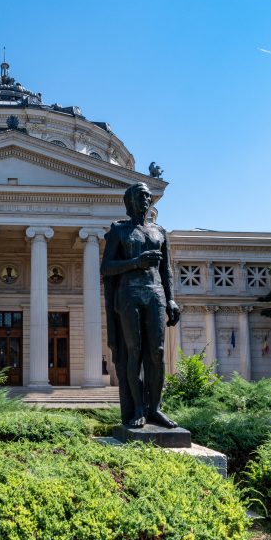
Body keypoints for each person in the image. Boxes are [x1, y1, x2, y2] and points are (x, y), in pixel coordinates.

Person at [101, 182, 180, 428]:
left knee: (156, 353)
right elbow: (106, 268)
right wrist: (136, 262)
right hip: (129, 294)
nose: (146, 200)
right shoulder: (119, 231)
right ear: (130, 202)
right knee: (133, 351)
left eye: (148, 196)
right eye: (141, 196)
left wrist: (171, 299)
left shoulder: (160, 232)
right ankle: (137, 408)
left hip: (155, 293)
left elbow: (166, 270)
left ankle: (154, 409)